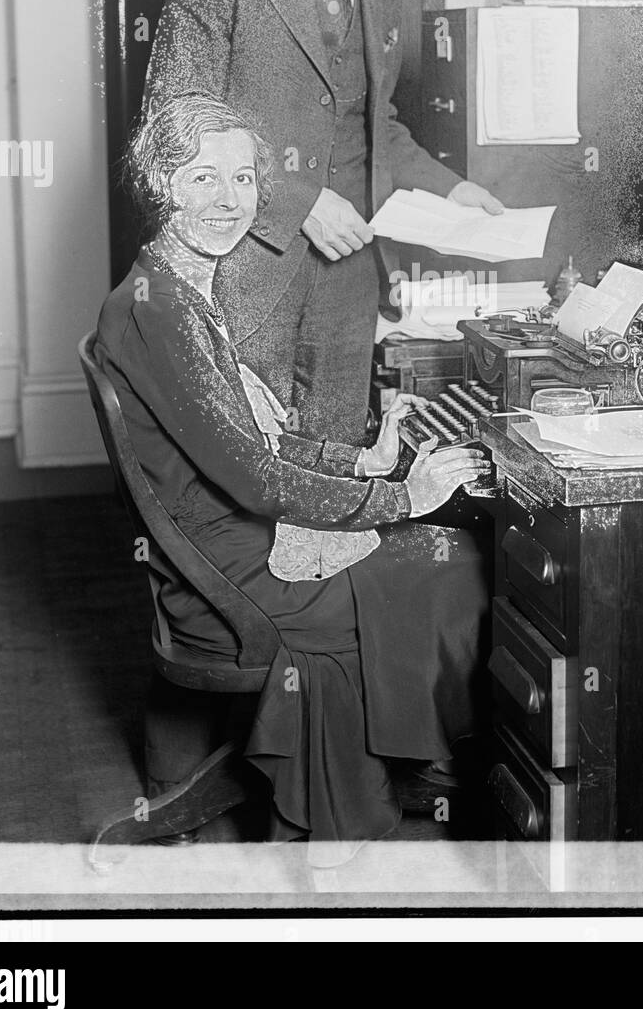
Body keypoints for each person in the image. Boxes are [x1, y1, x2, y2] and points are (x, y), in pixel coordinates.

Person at [94, 92, 491, 853]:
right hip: (228, 566)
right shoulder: (163, 311)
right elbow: (257, 480)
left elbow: (256, 435)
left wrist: (359, 460)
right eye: (203, 177)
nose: (229, 200)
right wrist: (403, 494)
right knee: (453, 565)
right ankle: (360, 794)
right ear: (161, 183)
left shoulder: (170, 284)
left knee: (446, 560)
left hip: (214, 537)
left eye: (243, 179)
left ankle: (397, 755)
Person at [142, 0, 503, 445]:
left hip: (347, 282)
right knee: (247, 472)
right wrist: (299, 202)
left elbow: (375, 128)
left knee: (334, 462)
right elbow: (172, 137)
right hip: (244, 276)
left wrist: (454, 190)